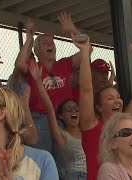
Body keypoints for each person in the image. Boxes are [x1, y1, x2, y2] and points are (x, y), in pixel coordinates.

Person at [75, 32, 132, 180]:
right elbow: (86, 90)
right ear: (98, 107)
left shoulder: (126, 124)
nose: (117, 101)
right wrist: (84, 53)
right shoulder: (90, 126)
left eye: (118, 97)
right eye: (110, 98)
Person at [15, 11, 85, 153]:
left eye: (52, 43)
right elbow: (19, 64)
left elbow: (87, 51)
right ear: (37, 50)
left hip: (64, 119)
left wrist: (72, 29)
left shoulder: (64, 64)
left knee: (63, 162)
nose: (50, 45)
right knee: (43, 159)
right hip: (41, 119)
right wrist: (29, 39)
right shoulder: (34, 66)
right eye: (45, 43)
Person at [29, 61, 86, 179]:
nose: (74, 111)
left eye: (76, 109)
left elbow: (88, 90)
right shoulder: (62, 135)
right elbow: (49, 109)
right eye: (69, 109)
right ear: (60, 116)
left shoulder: (86, 130)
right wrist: (39, 82)